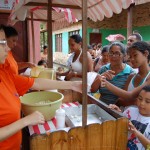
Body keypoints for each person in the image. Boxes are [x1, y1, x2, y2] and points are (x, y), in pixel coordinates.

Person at [0, 26, 82, 149]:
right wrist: (26, 121)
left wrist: (72, 85)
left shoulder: (4, 74)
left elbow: (36, 83)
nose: (7, 48)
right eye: (2, 43)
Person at [117, 41, 150, 106]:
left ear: (146, 53)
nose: (132, 59)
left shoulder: (148, 78)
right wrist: (134, 101)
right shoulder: (131, 76)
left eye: (135, 55)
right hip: (126, 114)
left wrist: (105, 83)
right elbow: (120, 100)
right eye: (130, 56)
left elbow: (129, 96)